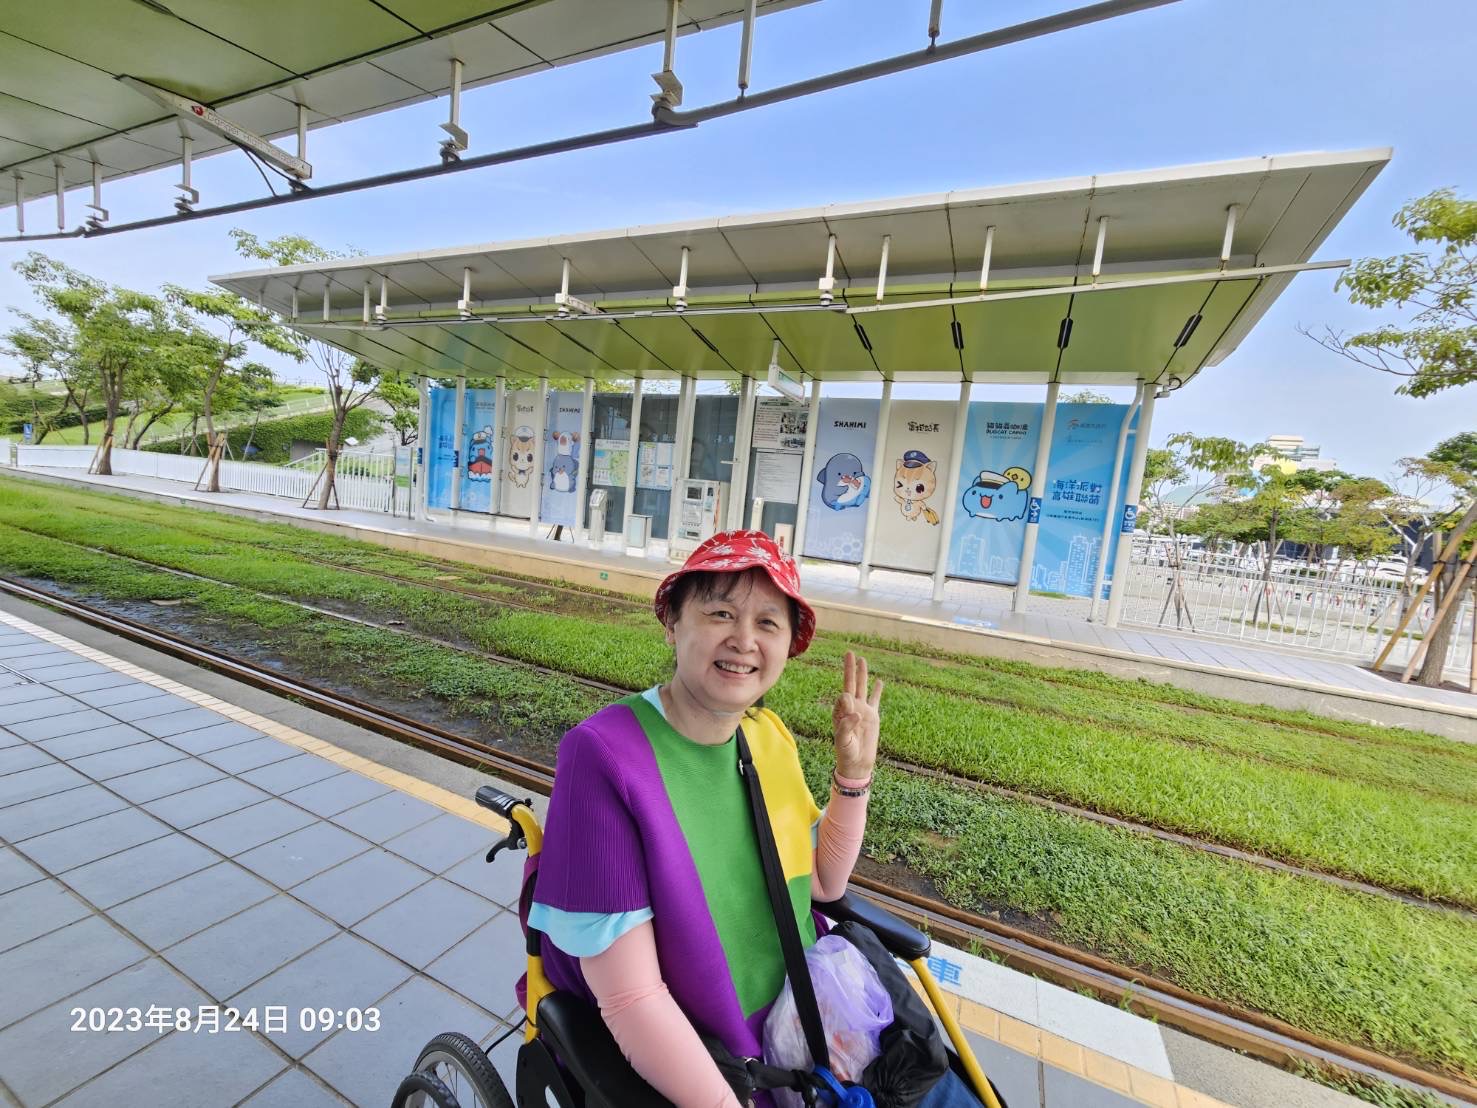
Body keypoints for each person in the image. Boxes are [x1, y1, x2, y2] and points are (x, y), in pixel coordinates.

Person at [528, 530, 979, 1108]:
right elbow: (631, 999)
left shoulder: (766, 737)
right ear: (672, 622)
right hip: (729, 1069)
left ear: (788, 645)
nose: (744, 640)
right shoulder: (604, 757)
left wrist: (854, 776)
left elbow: (823, 883)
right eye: (721, 612)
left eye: (768, 623)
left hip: (825, 1026)